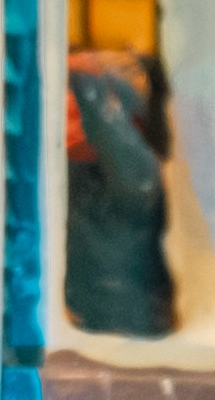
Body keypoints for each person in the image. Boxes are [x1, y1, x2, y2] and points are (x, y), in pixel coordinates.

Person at [63, 48, 177, 339]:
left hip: (128, 339)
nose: (67, 121)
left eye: (77, 112)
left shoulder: (135, 177)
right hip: (84, 334)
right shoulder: (70, 175)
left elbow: (136, 179)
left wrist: (87, 82)